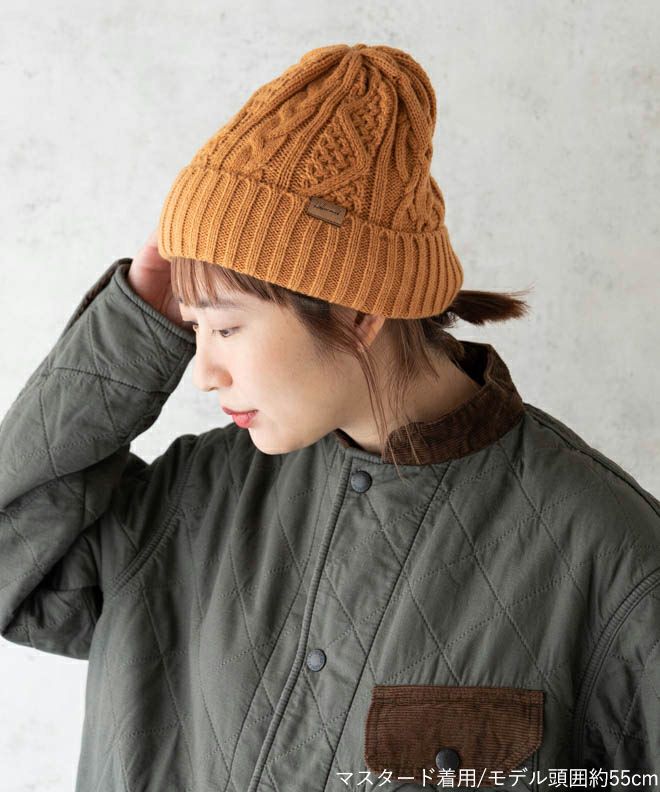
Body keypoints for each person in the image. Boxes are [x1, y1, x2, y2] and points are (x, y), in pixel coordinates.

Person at [1, 42, 658, 792]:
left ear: (358, 312)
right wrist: (134, 326)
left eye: (226, 327)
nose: (203, 371)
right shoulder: (191, 500)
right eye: (192, 326)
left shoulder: (610, 557)